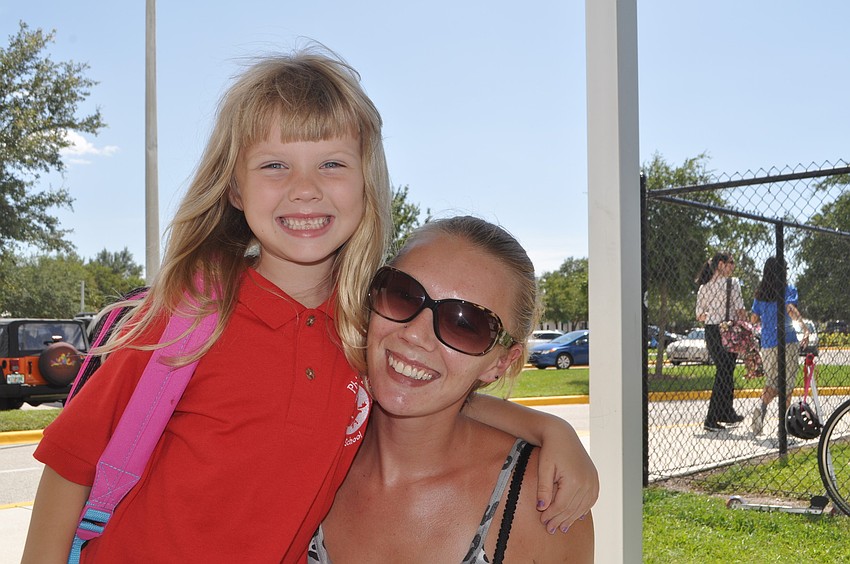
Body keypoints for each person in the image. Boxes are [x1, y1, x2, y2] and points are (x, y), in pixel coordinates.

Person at [22, 50, 596, 563]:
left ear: (367, 187)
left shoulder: (362, 330)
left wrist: (548, 429)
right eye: (274, 165)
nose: (305, 188)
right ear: (235, 189)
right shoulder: (183, 319)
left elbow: (434, 392)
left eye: (332, 164)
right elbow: (71, 469)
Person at [309, 216, 594, 563]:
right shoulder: (309, 446)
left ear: (500, 363)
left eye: (465, 324)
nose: (415, 334)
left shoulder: (543, 500)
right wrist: (550, 426)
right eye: (402, 294)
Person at [749, 256, 809, 436]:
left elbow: (753, 318)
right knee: (788, 384)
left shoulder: (760, 294)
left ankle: (762, 406)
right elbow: (790, 309)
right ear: (783, 272)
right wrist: (804, 328)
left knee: (772, 382)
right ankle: (783, 427)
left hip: (767, 344)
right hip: (787, 341)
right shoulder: (788, 289)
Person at [696, 252, 746, 432]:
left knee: (727, 370)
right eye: (731, 262)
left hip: (711, 330)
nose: (733, 266)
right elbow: (740, 310)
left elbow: (699, 315)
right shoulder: (733, 283)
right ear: (721, 264)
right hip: (729, 329)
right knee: (724, 371)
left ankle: (726, 411)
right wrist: (746, 325)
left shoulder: (704, 287)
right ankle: (711, 418)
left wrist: (712, 314)